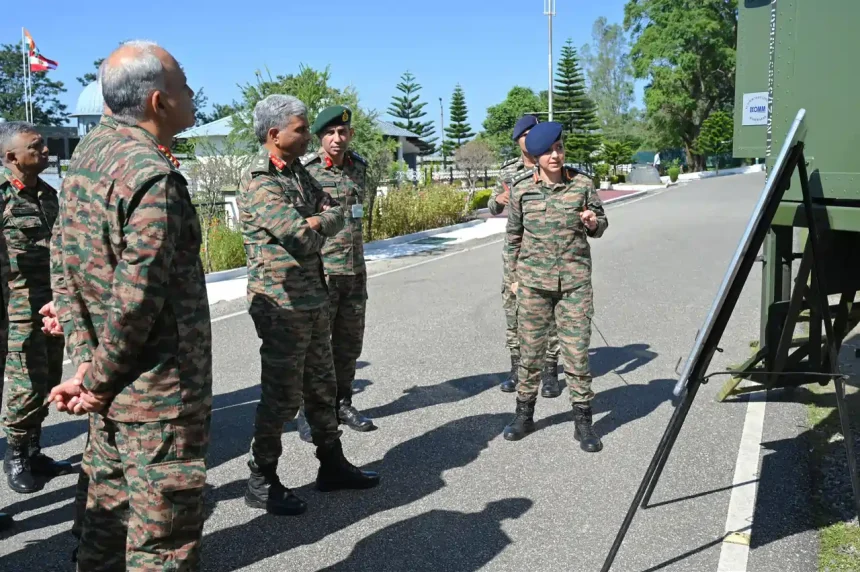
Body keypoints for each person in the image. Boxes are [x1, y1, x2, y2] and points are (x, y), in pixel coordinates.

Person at [48, 40, 213, 570]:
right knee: (162, 541)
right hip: (156, 394)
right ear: (159, 102)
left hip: (109, 384)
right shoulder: (151, 177)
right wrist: (95, 382)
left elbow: (63, 260)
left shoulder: (88, 155)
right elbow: (134, 300)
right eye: (184, 83)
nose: (192, 93)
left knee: (107, 520)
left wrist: (85, 365)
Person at [237, 94, 379, 517]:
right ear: (273, 134)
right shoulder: (260, 181)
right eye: (301, 129)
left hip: (312, 293)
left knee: (322, 385)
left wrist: (321, 220)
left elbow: (334, 212)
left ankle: (331, 465)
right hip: (280, 304)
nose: (307, 136)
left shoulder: (298, 173)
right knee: (281, 396)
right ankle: (261, 478)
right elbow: (302, 236)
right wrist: (320, 222)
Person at [502, 121, 608, 452]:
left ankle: (584, 423)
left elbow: (601, 223)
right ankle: (524, 414)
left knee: (576, 354)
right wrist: (513, 280)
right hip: (533, 285)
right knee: (530, 354)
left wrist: (594, 223)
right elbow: (513, 239)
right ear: (535, 156)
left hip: (574, 284)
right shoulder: (521, 190)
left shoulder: (582, 185)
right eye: (548, 151)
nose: (556, 155)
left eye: (559, 148)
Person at [0, 121, 73, 494]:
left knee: (48, 378)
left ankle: (33, 451)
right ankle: (15, 455)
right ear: (11, 157)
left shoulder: (47, 194)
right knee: (26, 382)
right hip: (17, 308)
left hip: (52, 303)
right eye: (36, 146)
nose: (46, 151)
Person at [298, 104, 376, 440]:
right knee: (317, 347)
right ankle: (309, 410)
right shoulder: (307, 171)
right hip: (322, 272)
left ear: (350, 134)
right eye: (330, 132)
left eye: (342, 132)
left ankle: (343, 403)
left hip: (354, 271)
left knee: (348, 344)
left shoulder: (359, 167)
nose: (337, 138)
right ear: (319, 136)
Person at [489, 115, 561, 397]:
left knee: (551, 309)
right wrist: (498, 200)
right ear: (519, 141)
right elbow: (492, 205)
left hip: (549, 250)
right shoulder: (509, 171)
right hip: (517, 250)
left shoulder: (554, 164)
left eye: (536, 133)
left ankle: (551, 370)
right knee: (514, 308)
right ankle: (516, 367)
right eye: (526, 134)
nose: (532, 138)